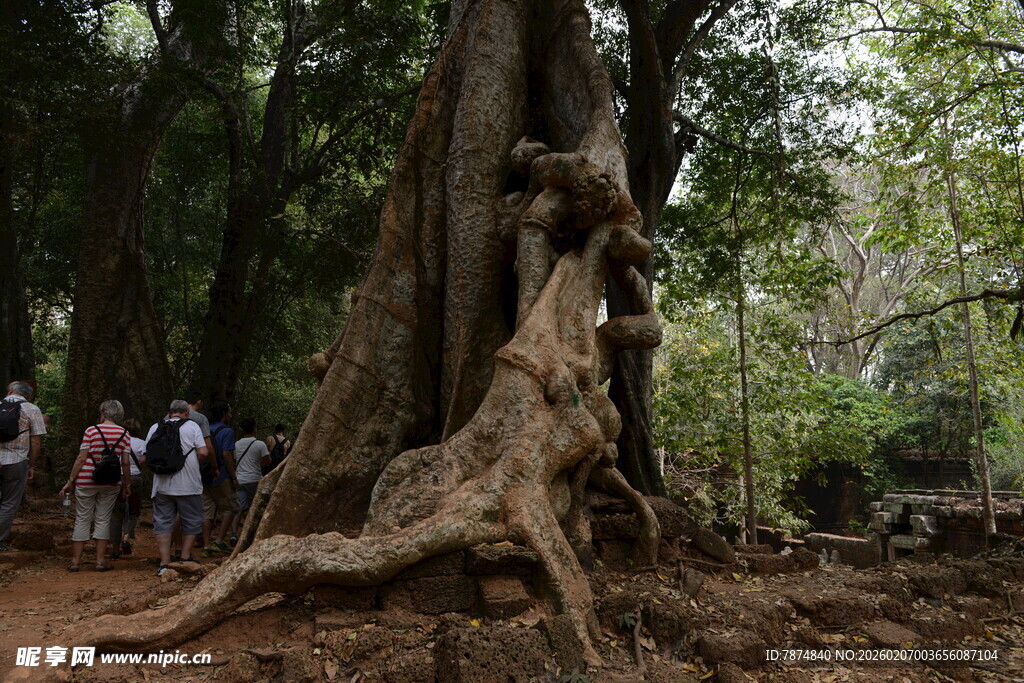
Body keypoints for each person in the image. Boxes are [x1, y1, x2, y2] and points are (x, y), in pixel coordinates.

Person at [59, 400, 131, 572]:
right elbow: (125, 462)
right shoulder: (124, 433)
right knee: (103, 519)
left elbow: (81, 458)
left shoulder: (91, 431)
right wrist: (127, 484)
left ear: (103, 413)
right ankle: (100, 561)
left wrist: (70, 481)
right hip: (111, 481)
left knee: (82, 518)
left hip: (86, 479)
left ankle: (75, 561)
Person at [146, 399, 209, 576]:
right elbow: (203, 452)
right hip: (188, 484)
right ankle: (185, 557)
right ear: (186, 413)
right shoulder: (192, 426)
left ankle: (164, 563)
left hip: (161, 485)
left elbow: (146, 456)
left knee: (163, 522)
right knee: (191, 520)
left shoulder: (155, 427)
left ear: (170, 412)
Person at [0, 381, 46, 552]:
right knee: (9, 502)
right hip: (17, 460)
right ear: (29, 396)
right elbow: (36, 441)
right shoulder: (32, 409)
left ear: (11, 390)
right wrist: (32, 464)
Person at [202, 401, 238, 554]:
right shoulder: (227, 432)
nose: (230, 415)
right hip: (221, 475)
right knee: (232, 507)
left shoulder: (206, 429)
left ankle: (206, 545)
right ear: (224, 414)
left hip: (205, 475)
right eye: (229, 412)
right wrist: (233, 476)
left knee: (207, 511)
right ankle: (219, 540)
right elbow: (226, 454)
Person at [108, 417, 146, 558]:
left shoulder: (118, 442)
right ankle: (126, 537)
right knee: (134, 510)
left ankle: (115, 547)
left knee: (116, 513)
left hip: (117, 477)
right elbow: (144, 460)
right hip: (135, 478)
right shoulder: (142, 443)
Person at [232, 418, 270, 534]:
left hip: (240, 480)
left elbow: (235, 460)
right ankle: (251, 532)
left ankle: (234, 533)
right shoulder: (260, 444)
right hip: (255, 479)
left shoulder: (236, 444)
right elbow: (267, 461)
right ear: (254, 428)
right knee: (254, 507)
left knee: (239, 508)